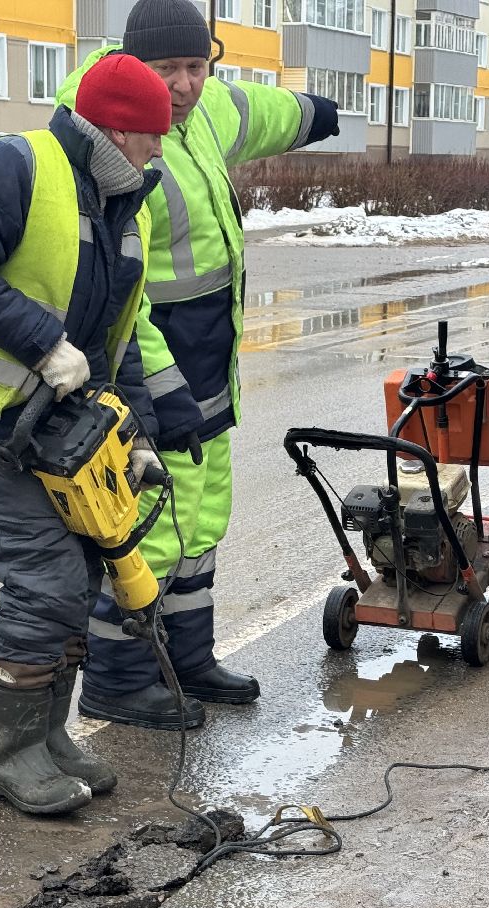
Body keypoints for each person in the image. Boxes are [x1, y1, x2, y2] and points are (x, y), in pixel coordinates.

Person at [62, 0, 342, 731]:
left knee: (204, 510)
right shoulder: (101, 127)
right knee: (149, 515)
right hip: (142, 349)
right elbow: (118, 289)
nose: (184, 85)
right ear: (130, 69)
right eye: (167, 69)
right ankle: (121, 679)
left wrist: (321, 110)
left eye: (196, 66)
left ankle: (188, 657)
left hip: (210, 343)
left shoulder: (206, 105)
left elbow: (264, 110)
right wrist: (162, 391)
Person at [0, 54, 172, 816]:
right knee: (43, 583)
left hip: (65, 432)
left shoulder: (130, 207)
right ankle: (14, 756)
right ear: (116, 131)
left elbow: (120, 344)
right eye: (153, 136)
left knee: (80, 582)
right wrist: (41, 341)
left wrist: (139, 437)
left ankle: (49, 738)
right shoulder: (19, 164)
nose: (161, 150)